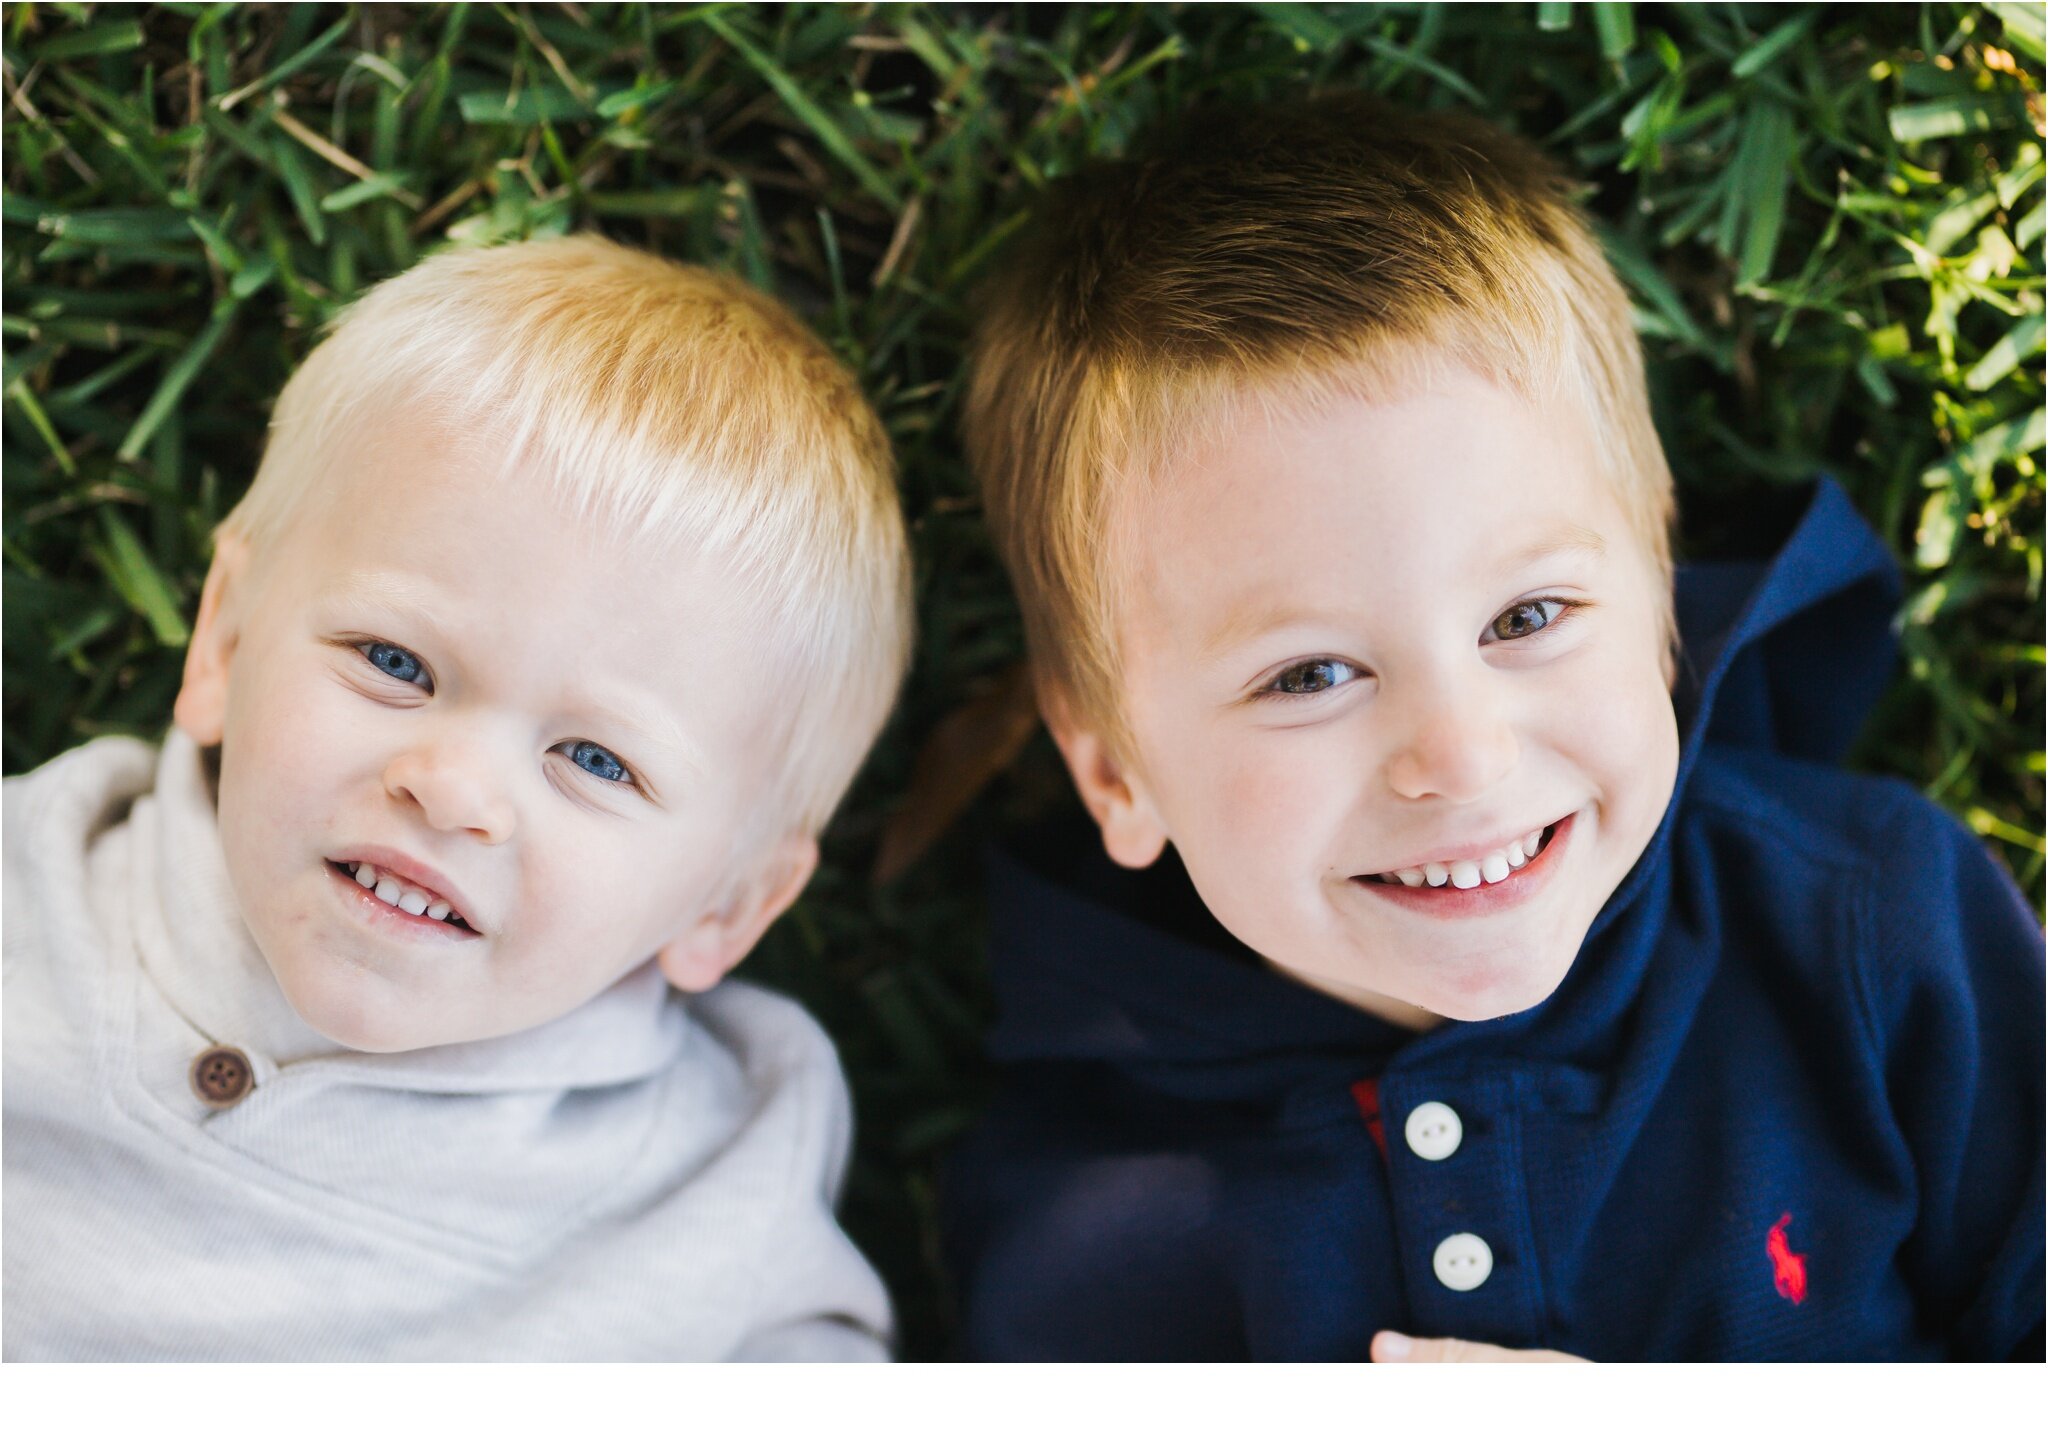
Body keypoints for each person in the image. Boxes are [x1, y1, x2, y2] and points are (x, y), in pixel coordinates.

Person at [943, 94, 2044, 1361]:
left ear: (1654, 585)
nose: (1460, 755)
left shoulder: (1869, 935)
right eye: (1307, 675)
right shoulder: (1076, 1199)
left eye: (1527, 613)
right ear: (1109, 767)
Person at [3, 235, 911, 1361]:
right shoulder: (26, 885)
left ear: (729, 902)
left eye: (596, 761)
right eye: (393, 661)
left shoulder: (701, 1205)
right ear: (224, 639)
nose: (452, 791)